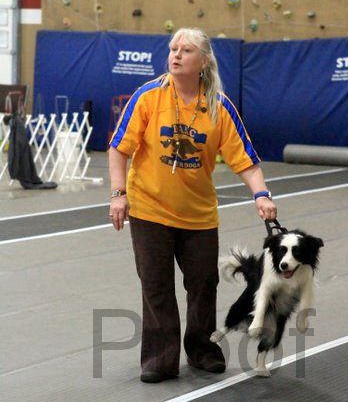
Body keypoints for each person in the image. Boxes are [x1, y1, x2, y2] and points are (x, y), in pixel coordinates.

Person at [108, 27, 277, 383]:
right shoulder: (148, 96)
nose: (176, 55)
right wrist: (119, 194)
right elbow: (119, 148)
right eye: (172, 48)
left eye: (185, 50)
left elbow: (245, 159)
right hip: (149, 209)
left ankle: (202, 349)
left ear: (203, 62)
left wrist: (261, 194)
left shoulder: (217, 106)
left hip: (198, 215)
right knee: (156, 286)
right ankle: (159, 359)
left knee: (203, 284)